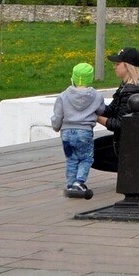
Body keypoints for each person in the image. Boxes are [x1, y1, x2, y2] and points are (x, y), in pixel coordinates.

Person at [93, 47, 139, 172]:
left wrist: (94, 117)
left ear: (127, 66)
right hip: (137, 138)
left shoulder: (132, 89)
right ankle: (131, 171)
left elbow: (120, 124)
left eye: (118, 64)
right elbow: (112, 109)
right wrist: (92, 106)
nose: (114, 67)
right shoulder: (128, 85)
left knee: (90, 153)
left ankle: (130, 171)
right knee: (92, 148)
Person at [50, 61, 104, 199]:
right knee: (86, 158)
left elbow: (58, 116)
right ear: (90, 78)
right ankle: (79, 182)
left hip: (66, 133)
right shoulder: (97, 96)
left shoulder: (62, 96)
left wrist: (56, 127)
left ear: (73, 77)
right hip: (84, 132)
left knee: (71, 159)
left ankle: (70, 184)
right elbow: (102, 110)